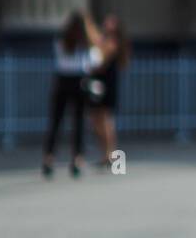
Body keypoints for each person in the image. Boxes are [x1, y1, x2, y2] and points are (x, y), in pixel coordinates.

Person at [41, 11, 103, 179]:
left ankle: (48, 158)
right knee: (79, 122)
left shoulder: (62, 41)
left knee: (56, 121)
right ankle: (77, 159)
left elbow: (58, 58)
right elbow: (95, 61)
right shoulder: (87, 43)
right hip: (80, 81)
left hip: (62, 80)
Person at [90, 15, 130, 167]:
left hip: (107, 83)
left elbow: (101, 60)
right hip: (99, 82)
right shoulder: (105, 40)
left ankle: (111, 155)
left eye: (111, 21)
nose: (106, 23)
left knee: (105, 119)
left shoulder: (113, 42)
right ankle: (106, 154)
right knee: (96, 119)